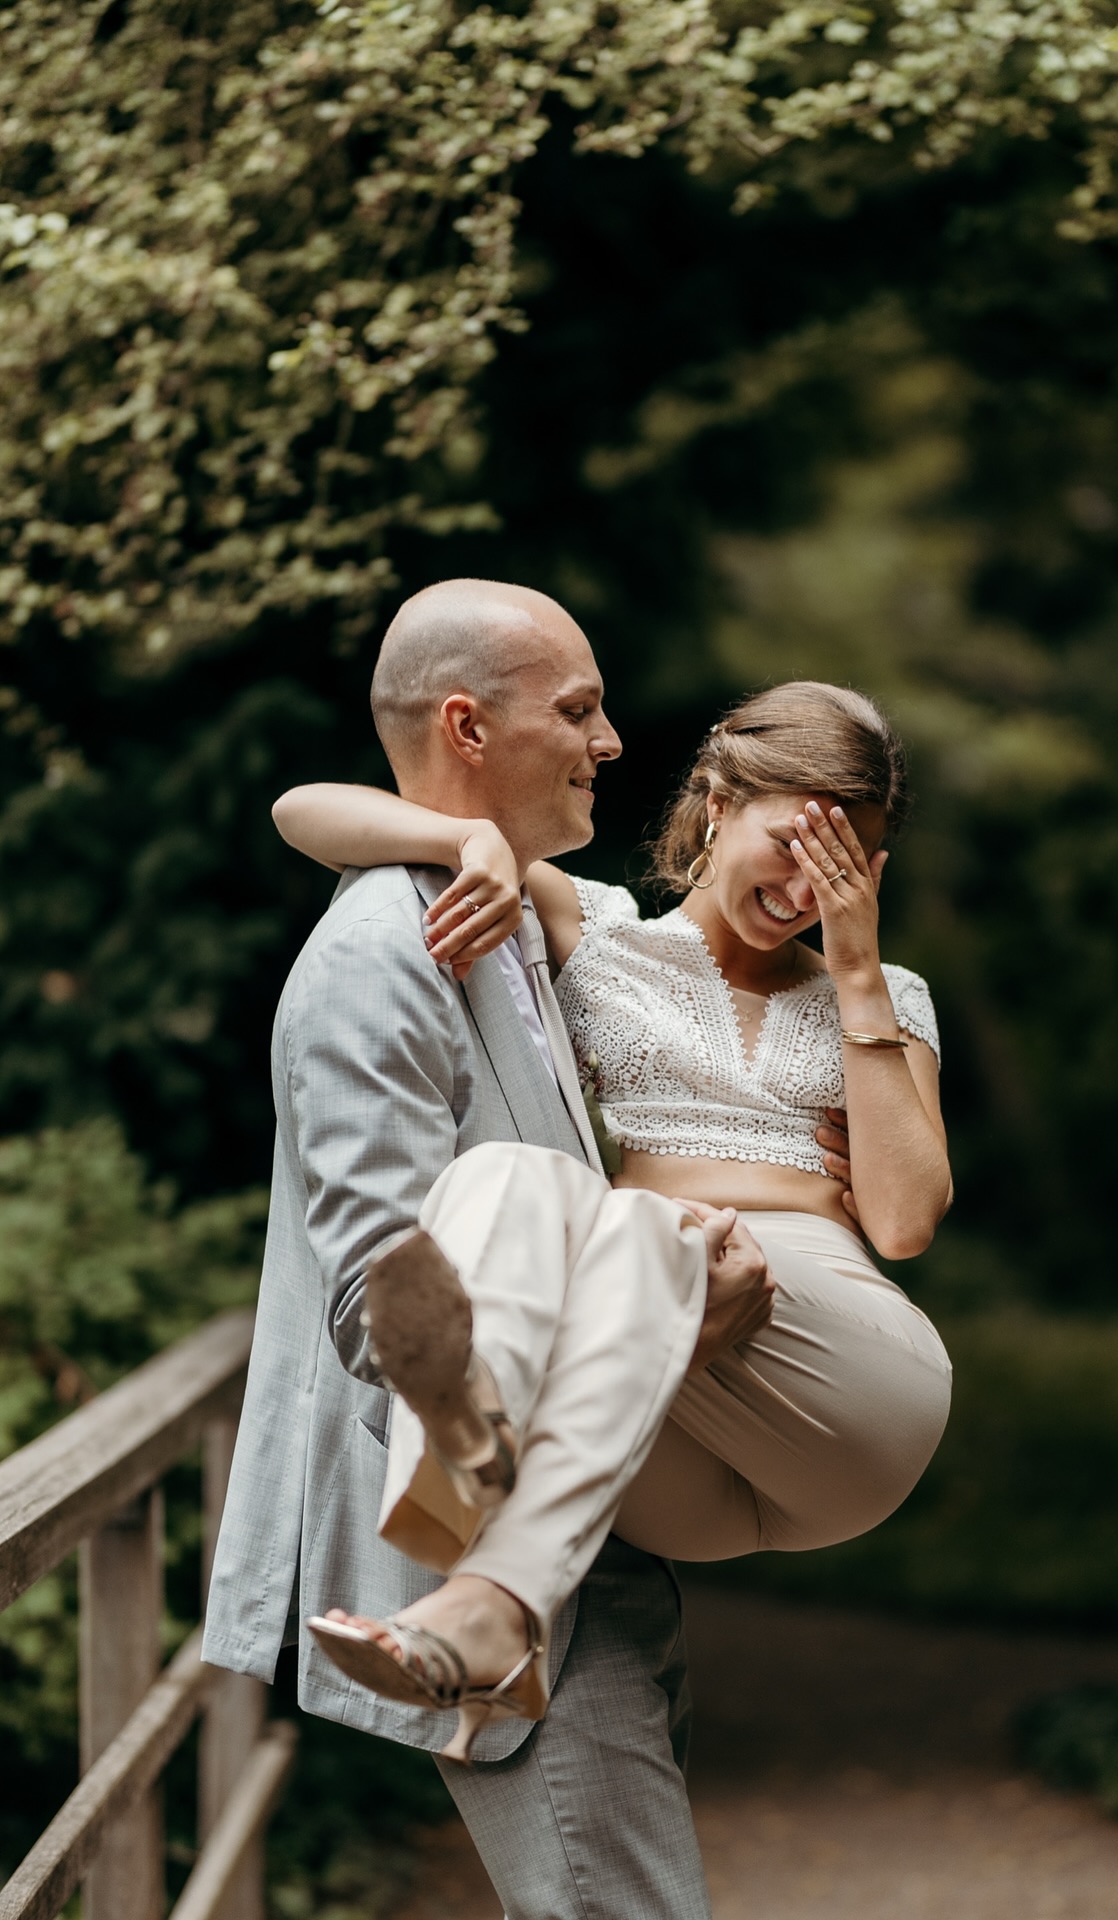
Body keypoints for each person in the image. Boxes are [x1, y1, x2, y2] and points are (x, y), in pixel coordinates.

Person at [203, 579, 780, 1920]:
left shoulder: (518, 914)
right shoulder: (376, 964)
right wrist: (664, 1308)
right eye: (577, 709)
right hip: (489, 1545)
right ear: (469, 727)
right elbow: (376, 1305)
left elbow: (312, 808)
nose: (613, 740)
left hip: (592, 1535)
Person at [270, 666, 954, 1763]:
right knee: (504, 1180)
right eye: (795, 842)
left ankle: (482, 1572)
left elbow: (908, 1218)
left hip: (844, 1388)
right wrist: (470, 845)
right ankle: (493, 1596)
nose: (806, 889)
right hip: (666, 1433)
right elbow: (300, 813)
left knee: (633, 1223)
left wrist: (861, 970)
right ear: (720, 798)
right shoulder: (598, 930)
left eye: (845, 866)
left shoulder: (883, 995)